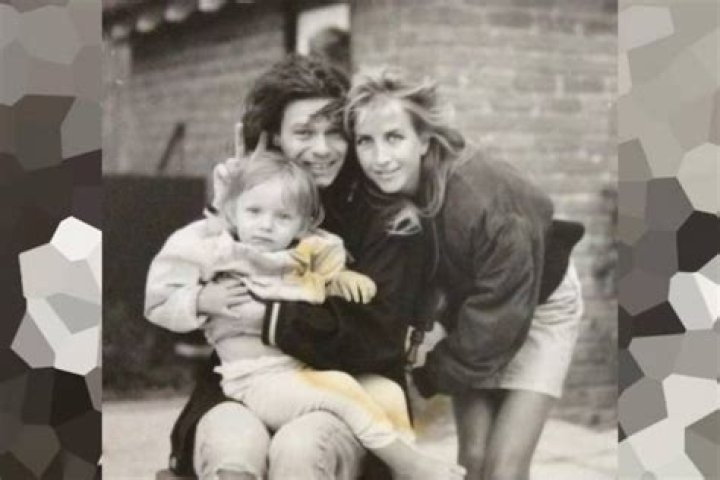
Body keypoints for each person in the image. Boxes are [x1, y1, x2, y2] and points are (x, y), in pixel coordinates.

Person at [159, 54, 438, 480]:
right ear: (274, 137)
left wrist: (267, 316)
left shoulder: (387, 218)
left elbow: (377, 338)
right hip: (244, 384)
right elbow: (184, 314)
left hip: (348, 389)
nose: (322, 149)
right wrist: (225, 213)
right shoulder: (248, 206)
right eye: (304, 133)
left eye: (335, 132)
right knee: (233, 448)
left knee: (300, 450)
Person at [145, 151, 464, 480]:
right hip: (252, 379)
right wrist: (199, 299)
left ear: (302, 225)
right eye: (254, 211)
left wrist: (339, 279)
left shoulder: (299, 255)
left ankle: (399, 468)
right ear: (233, 211)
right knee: (341, 393)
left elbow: (322, 269)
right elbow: (159, 298)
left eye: (282, 217)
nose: (266, 225)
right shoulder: (221, 252)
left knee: (384, 391)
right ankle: (408, 464)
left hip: (298, 372)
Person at [345, 68, 585, 480]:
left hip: (540, 305)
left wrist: (432, 373)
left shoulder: (482, 197)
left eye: (394, 138)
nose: (379, 158)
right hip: (476, 307)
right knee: (471, 458)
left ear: (424, 140)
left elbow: (499, 315)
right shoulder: (387, 188)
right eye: (365, 141)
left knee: (503, 468)